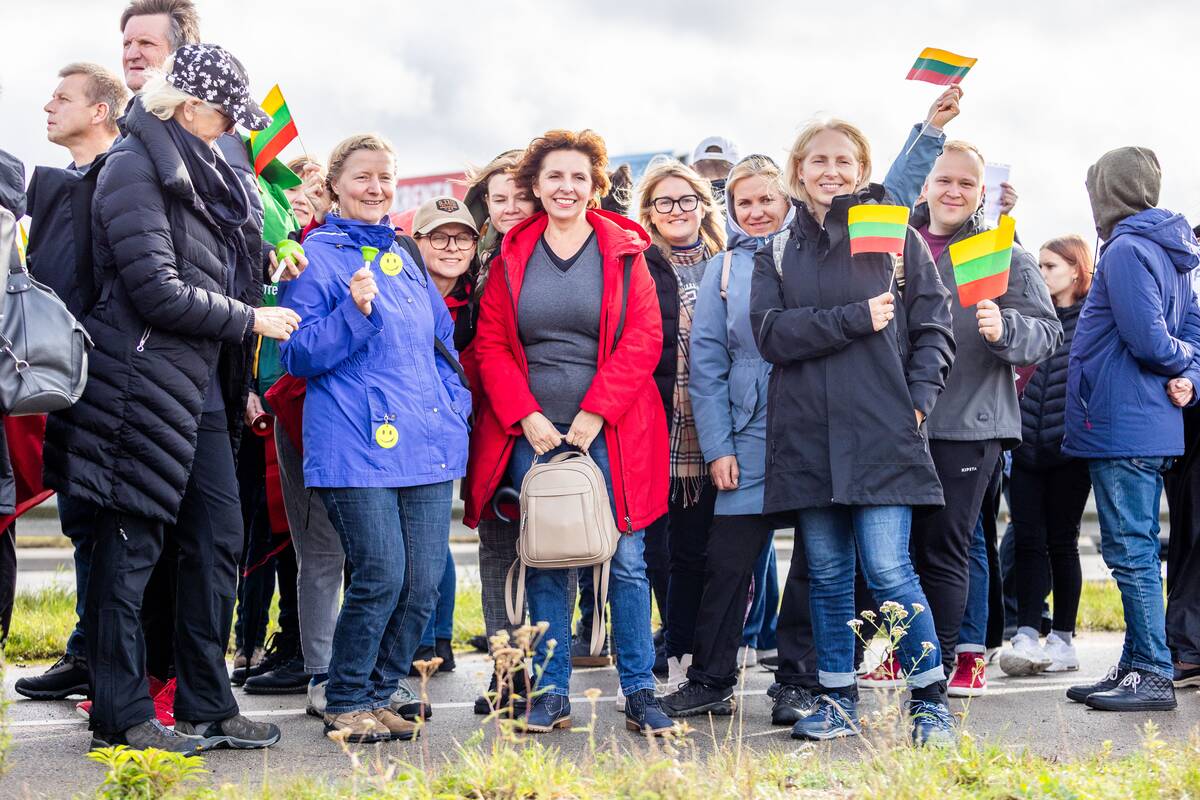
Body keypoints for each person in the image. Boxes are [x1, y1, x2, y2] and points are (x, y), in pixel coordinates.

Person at [43, 44, 293, 753]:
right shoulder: (132, 166)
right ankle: (120, 718)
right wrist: (250, 318)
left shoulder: (210, 168)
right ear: (189, 107)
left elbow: (216, 269)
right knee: (129, 557)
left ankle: (206, 705)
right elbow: (155, 289)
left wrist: (266, 265)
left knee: (217, 544)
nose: (235, 129)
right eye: (226, 115)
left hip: (202, 391)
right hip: (135, 388)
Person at [749, 118, 957, 745]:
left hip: (882, 431)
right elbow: (772, 335)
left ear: (862, 170)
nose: (831, 171)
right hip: (808, 435)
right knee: (829, 574)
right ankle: (838, 701)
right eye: (818, 160)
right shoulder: (775, 250)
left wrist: (917, 403)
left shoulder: (894, 235)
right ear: (798, 170)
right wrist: (853, 319)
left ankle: (930, 704)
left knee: (889, 570)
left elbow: (934, 327)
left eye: (844, 161)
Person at [465, 129, 674, 735]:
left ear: (594, 185)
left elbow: (644, 339)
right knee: (547, 559)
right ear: (536, 184)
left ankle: (639, 691)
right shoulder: (512, 254)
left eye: (579, 177)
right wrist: (526, 416)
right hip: (533, 433)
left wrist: (596, 411)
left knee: (627, 562)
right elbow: (492, 345)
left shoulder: (625, 250)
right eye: (554, 176)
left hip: (613, 429)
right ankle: (552, 692)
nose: (566, 187)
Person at [279, 134, 471, 744]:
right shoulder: (314, 256)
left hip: (426, 442)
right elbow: (297, 353)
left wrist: (454, 407)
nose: (376, 188)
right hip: (353, 442)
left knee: (423, 581)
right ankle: (345, 698)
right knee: (381, 574)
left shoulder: (406, 255)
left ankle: (382, 690)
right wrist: (353, 313)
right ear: (335, 185)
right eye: (363, 176)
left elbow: (442, 347)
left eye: (385, 177)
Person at [906, 141, 1061, 697]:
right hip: (902, 423)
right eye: (944, 180)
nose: (954, 191)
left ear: (982, 192)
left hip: (970, 422)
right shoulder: (899, 244)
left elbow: (1047, 332)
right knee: (903, 550)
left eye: (966, 183)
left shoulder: (999, 252)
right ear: (925, 185)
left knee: (949, 545)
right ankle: (913, 653)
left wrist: (1005, 330)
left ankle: (945, 663)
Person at [1062, 146, 1200, 712]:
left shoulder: (1124, 249)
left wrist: (1178, 362)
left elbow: (1149, 339)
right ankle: (1136, 663)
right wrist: (1190, 375)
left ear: (1108, 191)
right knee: (1134, 546)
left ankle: (1153, 674)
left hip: (1122, 422)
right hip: (1151, 421)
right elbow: (1193, 332)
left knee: (1130, 551)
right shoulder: (1172, 250)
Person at [12, 63, 127, 704]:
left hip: (116, 379)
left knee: (117, 528)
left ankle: (115, 662)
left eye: (63, 97)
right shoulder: (56, 186)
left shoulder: (126, 179)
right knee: (81, 520)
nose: (48, 107)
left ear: (101, 110)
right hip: (64, 382)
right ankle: (87, 651)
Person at [635, 159, 726, 686]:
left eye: (686, 199)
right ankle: (672, 644)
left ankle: (694, 653)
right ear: (649, 211)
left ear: (702, 206)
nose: (676, 210)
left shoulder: (727, 264)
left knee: (701, 551)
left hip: (715, 431)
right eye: (664, 202)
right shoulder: (638, 266)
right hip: (656, 429)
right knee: (656, 553)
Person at [461, 150, 538, 711]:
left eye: (520, 197)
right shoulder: (475, 257)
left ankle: (548, 669)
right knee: (496, 545)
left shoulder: (561, 248)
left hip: (545, 417)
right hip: (488, 419)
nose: (510, 208)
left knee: (554, 545)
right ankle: (507, 673)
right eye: (498, 198)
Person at [1000, 235, 1094, 676]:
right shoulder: (1033, 316)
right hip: (1025, 448)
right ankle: (1024, 632)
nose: (1041, 274)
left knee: (1062, 543)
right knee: (1027, 541)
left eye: (1050, 266)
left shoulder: (1093, 319)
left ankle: (1063, 638)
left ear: (1076, 270)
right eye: (1038, 265)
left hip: (1069, 451)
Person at [409, 195, 482, 673]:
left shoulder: (479, 297)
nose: (452, 246)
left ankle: (437, 639)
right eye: (439, 236)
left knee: (434, 536)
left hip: (463, 425)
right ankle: (422, 640)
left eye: (462, 237)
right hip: (407, 426)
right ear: (417, 242)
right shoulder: (400, 285)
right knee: (419, 540)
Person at [1165, 223, 1200, 689]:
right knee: (1188, 534)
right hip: (1185, 425)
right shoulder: (1184, 284)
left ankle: (1187, 649)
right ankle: (1185, 647)